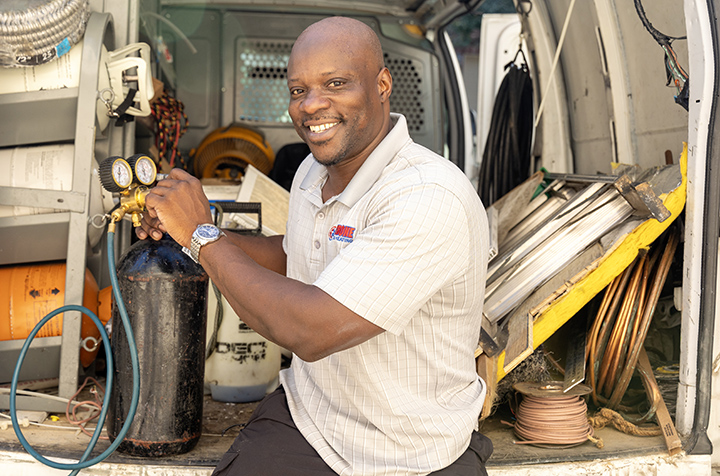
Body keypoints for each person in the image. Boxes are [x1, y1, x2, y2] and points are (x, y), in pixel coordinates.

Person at [137, 16, 492, 476]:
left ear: (382, 84)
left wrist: (201, 236)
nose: (311, 105)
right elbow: (296, 256)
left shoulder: (426, 196)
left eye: (336, 83)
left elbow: (312, 331)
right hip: (312, 417)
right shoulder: (311, 172)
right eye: (297, 90)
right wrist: (186, 232)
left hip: (408, 448)